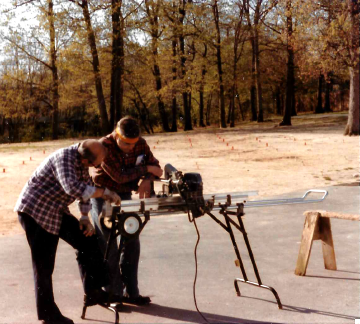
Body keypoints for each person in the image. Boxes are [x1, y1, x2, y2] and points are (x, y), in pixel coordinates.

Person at [14, 140, 122, 324]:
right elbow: (72, 187)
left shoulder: (82, 159)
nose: (97, 167)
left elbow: (86, 187)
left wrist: (85, 217)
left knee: (88, 241)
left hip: (55, 209)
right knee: (44, 266)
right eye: (96, 164)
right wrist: (103, 192)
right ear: (86, 160)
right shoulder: (64, 158)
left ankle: (93, 291)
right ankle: (49, 316)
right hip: (35, 211)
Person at [90, 116, 163, 305]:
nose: (130, 148)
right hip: (103, 196)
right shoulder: (103, 146)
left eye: (133, 144)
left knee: (132, 242)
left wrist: (147, 178)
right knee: (109, 245)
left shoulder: (141, 144)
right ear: (116, 135)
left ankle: (132, 292)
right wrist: (147, 169)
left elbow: (158, 169)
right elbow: (119, 177)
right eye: (125, 143)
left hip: (125, 198)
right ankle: (114, 294)